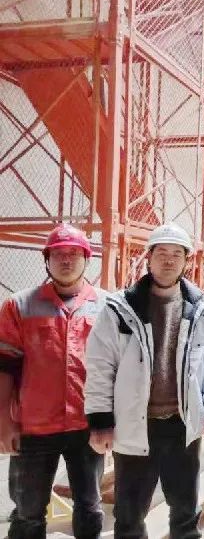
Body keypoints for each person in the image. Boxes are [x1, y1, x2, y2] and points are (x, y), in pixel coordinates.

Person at [84, 223, 204, 539]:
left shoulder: (203, 310)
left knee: (185, 513)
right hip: (135, 424)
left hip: (182, 426)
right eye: (161, 253)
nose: (168, 261)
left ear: (186, 261)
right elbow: (100, 366)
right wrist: (100, 421)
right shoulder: (120, 308)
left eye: (176, 254)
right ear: (149, 258)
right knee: (129, 516)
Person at [0, 224, 106, 539]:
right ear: (47, 259)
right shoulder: (19, 305)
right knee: (28, 513)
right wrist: (4, 422)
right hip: (34, 428)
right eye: (58, 254)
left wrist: (110, 422)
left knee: (90, 508)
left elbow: (115, 370)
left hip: (87, 425)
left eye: (74, 253)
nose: (66, 260)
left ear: (86, 259)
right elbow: (4, 366)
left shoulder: (106, 306)